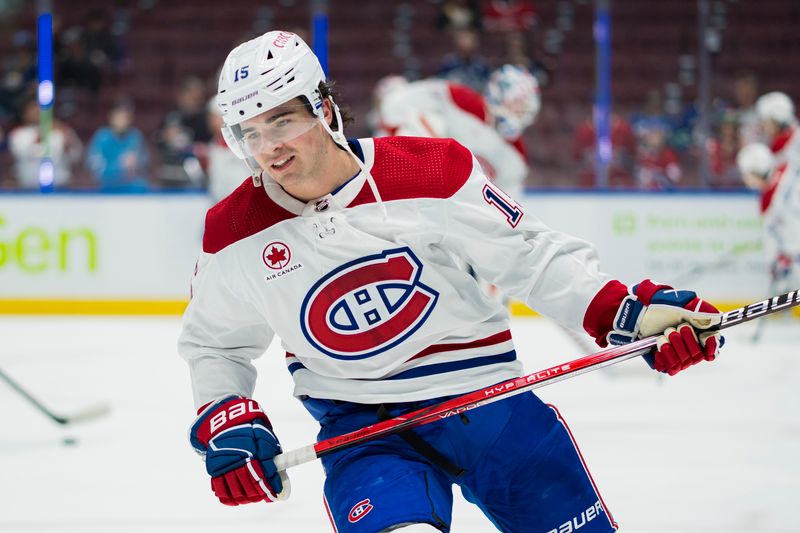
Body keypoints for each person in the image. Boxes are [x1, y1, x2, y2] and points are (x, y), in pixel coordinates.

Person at [180, 31, 724, 533]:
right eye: (249, 133)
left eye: (281, 121)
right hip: (367, 438)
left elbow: (530, 257)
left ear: (323, 108)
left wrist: (622, 313)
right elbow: (214, 341)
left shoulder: (430, 169)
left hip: (490, 408)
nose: (269, 148)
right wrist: (226, 412)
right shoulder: (232, 231)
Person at [376, 64, 539, 200]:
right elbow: (397, 102)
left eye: (524, 109)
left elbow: (509, 205)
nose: (520, 114)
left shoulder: (515, 156)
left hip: (462, 208)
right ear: (498, 94)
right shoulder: (463, 101)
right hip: (423, 182)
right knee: (427, 120)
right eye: (516, 105)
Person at [737, 143, 800, 294]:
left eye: (746, 174)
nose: (745, 179)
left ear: (757, 171)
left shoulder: (786, 188)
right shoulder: (781, 183)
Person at [85, 99, 150, 192]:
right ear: (111, 117)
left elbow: (145, 164)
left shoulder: (136, 136)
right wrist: (119, 166)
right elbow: (95, 168)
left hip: (132, 190)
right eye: (118, 116)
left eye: (125, 117)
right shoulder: (101, 137)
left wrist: (136, 164)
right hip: (107, 189)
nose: (121, 120)